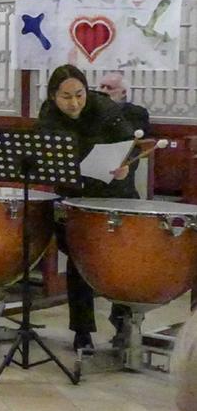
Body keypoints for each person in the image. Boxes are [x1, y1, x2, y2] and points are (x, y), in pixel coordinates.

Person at [38, 64, 136, 352]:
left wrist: (126, 167)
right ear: (53, 96)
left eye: (79, 94)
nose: (74, 103)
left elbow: (130, 144)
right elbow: (54, 152)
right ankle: (82, 332)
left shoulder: (103, 107)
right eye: (66, 96)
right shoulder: (48, 116)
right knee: (79, 261)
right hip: (75, 195)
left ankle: (123, 319)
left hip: (114, 194)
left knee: (118, 261)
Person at [97, 70, 152, 198]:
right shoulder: (90, 112)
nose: (104, 91)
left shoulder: (136, 113)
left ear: (124, 93)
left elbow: (135, 144)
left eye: (110, 88)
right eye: (101, 87)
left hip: (122, 165)